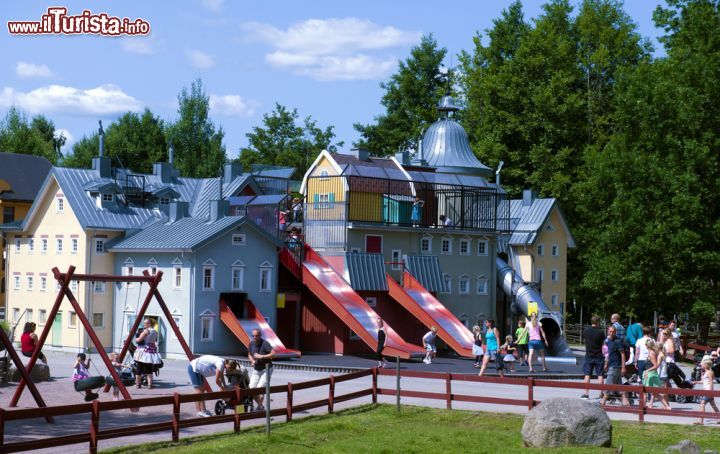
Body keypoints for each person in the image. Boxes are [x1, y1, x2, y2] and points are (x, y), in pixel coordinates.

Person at [248, 328, 276, 410]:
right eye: (253, 336)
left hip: (266, 369)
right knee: (251, 388)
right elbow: (249, 354)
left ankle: (260, 406)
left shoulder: (265, 343)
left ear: (260, 335)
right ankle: (260, 406)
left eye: (256, 336)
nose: (254, 337)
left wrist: (262, 356)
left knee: (260, 388)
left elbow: (274, 354)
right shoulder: (251, 344)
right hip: (256, 369)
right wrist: (252, 361)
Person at [601, 326, 629, 406]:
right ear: (607, 331)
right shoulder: (608, 341)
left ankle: (603, 400)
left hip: (616, 365)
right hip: (611, 364)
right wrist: (606, 363)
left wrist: (623, 367)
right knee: (618, 383)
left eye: (613, 331)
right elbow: (609, 354)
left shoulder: (618, 341)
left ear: (616, 332)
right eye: (610, 331)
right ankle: (625, 400)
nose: (611, 333)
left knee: (609, 383)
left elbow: (622, 354)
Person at [134, 318, 163, 389]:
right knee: (149, 369)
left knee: (139, 369)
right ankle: (150, 385)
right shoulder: (154, 331)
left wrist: (136, 338)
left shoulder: (146, 331)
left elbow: (139, 340)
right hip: (151, 351)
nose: (144, 325)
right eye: (144, 323)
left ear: (149, 324)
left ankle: (138, 384)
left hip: (143, 351)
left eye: (145, 323)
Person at [582, 315, 606, 399]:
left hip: (589, 354)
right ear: (598, 322)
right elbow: (603, 343)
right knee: (600, 375)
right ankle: (601, 394)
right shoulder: (601, 332)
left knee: (587, 374)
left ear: (591, 322)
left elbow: (585, 340)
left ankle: (586, 394)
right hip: (599, 355)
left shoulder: (586, 331)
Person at [644, 339, 671, 410]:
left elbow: (657, 365)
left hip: (660, 374)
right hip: (663, 374)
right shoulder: (661, 354)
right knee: (656, 391)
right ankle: (666, 405)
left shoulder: (659, 355)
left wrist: (648, 370)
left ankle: (666, 405)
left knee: (655, 391)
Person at [694, 357, 719, 425]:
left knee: (702, 404)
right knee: (714, 406)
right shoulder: (705, 372)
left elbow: (711, 382)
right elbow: (704, 381)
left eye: (702, 364)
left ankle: (701, 421)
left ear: (706, 365)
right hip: (707, 391)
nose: (701, 365)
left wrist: (710, 391)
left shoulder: (709, 373)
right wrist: (696, 382)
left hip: (708, 391)